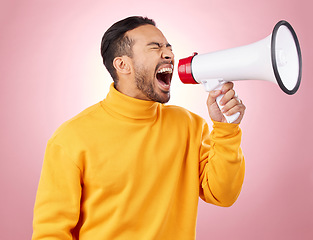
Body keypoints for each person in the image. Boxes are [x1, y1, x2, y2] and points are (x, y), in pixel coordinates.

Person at [32, 16, 246, 240]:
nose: (168, 55)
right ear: (122, 65)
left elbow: (224, 195)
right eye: (155, 48)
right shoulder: (71, 138)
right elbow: (51, 233)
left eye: (168, 48)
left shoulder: (189, 126)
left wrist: (226, 128)